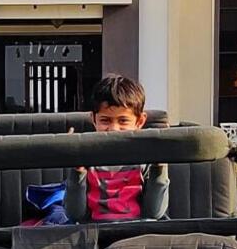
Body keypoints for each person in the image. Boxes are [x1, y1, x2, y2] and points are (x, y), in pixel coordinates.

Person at [64, 74, 169, 222]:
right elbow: (75, 214)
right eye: (105, 120)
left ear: (139, 121)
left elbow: (154, 213)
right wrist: (77, 169)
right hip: (93, 231)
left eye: (123, 121)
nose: (113, 128)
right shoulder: (86, 155)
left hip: (136, 231)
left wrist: (159, 166)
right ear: (93, 119)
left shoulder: (146, 157)